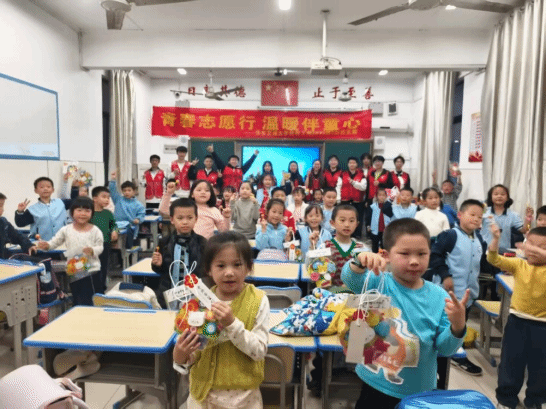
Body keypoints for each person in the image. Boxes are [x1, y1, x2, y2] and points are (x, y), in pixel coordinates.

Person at [341, 218, 467, 409]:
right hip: (374, 384)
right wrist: (360, 259)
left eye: (422, 254)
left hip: (419, 391)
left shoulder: (440, 296)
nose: (414, 261)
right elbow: (350, 278)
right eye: (404, 254)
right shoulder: (379, 281)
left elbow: (446, 349)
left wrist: (457, 326)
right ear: (386, 255)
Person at [173, 232, 270, 409]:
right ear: (209, 269)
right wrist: (181, 354)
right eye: (221, 265)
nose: (229, 272)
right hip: (202, 397)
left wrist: (232, 324)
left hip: (243, 399)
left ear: (248, 267)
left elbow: (259, 351)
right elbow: (195, 353)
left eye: (237, 264)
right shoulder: (199, 302)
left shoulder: (258, 300)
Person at [426, 199, 490, 380]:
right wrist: (445, 275)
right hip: (447, 294)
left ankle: (454, 353)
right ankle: (435, 361)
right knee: (441, 327)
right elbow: (435, 255)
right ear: (460, 215)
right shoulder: (450, 235)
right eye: (472, 214)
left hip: (467, 296)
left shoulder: (479, 239)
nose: (476, 219)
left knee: (458, 327)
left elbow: (482, 263)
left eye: (480, 217)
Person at [487, 224, 546, 410]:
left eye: (543, 247)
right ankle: (506, 399)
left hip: (543, 326)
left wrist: (535, 249)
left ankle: (535, 400)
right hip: (516, 322)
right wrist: (496, 239)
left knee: (540, 368)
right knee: (511, 363)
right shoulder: (520, 264)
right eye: (531, 244)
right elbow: (493, 258)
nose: (534, 250)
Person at [37, 197, 104, 306]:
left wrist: (92, 250)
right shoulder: (66, 229)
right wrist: (47, 245)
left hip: (92, 270)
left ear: (92, 213)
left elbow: (100, 247)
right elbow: (55, 242)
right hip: (74, 269)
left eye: (87, 211)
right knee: (78, 297)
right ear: (72, 212)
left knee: (92, 299)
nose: (83, 214)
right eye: (79, 210)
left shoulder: (95, 230)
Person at [151, 198, 207, 309]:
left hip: (194, 295)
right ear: (172, 220)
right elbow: (161, 271)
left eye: (189, 218)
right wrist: (157, 265)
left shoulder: (202, 243)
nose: (185, 222)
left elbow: (205, 271)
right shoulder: (164, 242)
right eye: (180, 218)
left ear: (196, 219)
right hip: (169, 293)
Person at [320, 204, 366, 288]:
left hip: (355, 294)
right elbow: (314, 270)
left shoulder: (362, 249)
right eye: (342, 220)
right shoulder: (325, 247)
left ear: (357, 224)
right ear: (332, 223)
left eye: (351, 221)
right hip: (330, 293)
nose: (347, 225)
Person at [481, 184, 533, 253]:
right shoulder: (484, 211)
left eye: (502, 194)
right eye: (496, 194)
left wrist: (528, 217)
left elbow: (525, 230)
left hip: (504, 251)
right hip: (485, 250)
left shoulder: (513, 215)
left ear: (507, 198)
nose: (499, 196)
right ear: (490, 197)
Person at [91, 187, 118, 293]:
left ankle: (101, 290)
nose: (107, 200)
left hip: (105, 244)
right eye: (104, 197)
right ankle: (95, 290)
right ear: (95, 198)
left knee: (103, 267)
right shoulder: (89, 213)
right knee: (93, 268)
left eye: (108, 197)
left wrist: (114, 231)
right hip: (92, 246)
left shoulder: (108, 213)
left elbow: (114, 225)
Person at [109, 172, 146, 250]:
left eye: (129, 190)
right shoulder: (118, 199)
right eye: (124, 190)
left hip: (130, 227)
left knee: (129, 248)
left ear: (134, 191)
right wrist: (113, 180)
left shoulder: (138, 204)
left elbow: (141, 214)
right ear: (122, 191)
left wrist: (138, 219)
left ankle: (129, 250)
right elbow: (112, 191)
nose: (127, 192)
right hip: (118, 226)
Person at [337, 157, 367, 238]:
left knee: (357, 219)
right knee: (344, 218)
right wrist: (338, 198)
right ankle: (344, 234)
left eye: (354, 163)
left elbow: (363, 187)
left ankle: (356, 235)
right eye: (350, 163)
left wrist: (353, 182)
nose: (352, 164)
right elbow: (338, 186)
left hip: (357, 201)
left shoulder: (361, 175)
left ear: (357, 164)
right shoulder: (343, 174)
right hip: (345, 201)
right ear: (348, 164)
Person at [0, 193, 36, 259]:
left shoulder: (3, 222)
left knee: (39, 261)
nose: (2, 209)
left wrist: (29, 245)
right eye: (0, 205)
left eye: (2, 206)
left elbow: (18, 236)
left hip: (4, 259)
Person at [366, 188, 391, 253]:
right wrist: (368, 226)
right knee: (375, 244)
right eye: (380, 195)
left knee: (384, 245)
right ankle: (374, 255)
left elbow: (391, 215)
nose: (381, 197)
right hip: (375, 228)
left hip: (385, 228)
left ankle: (383, 256)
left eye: (383, 195)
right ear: (376, 196)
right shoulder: (372, 206)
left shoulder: (388, 205)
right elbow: (368, 217)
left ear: (386, 196)